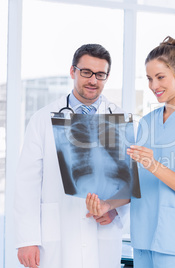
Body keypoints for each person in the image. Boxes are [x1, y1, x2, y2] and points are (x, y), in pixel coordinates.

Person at [86, 36, 175, 268]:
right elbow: (138, 184)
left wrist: (153, 165)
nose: (153, 86)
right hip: (144, 236)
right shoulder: (147, 122)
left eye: (160, 77)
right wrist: (108, 205)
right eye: (149, 78)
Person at [14, 44, 128, 268]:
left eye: (100, 74)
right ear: (72, 71)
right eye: (86, 72)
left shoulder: (120, 120)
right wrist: (27, 240)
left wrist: (115, 211)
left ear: (107, 77)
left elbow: (128, 181)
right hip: (57, 233)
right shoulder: (42, 119)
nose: (93, 80)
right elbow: (27, 183)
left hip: (102, 234)